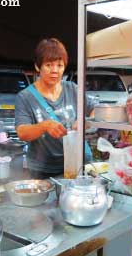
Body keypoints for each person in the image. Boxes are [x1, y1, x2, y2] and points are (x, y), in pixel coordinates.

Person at [15, 38, 94, 179]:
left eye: (59, 65)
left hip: (77, 164)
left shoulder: (73, 89)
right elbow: (22, 132)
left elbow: (94, 111)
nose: (55, 71)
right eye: (48, 65)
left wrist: (84, 121)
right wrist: (45, 126)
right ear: (38, 67)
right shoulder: (25, 96)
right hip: (44, 170)